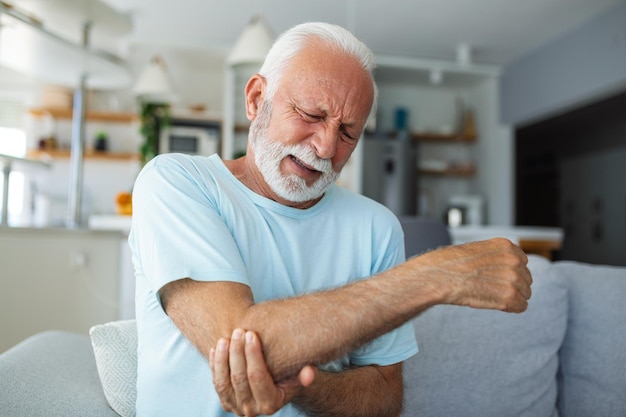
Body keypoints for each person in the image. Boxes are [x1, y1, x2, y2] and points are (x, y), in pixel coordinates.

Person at [129, 22, 532, 417]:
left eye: (348, 133)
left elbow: (384, 400)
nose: (325, 147)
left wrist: (304, 385)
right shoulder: (175, 182)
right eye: (311, 114)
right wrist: (437, 275)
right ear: (255, 99)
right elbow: (238, 342)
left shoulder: (376, 227)